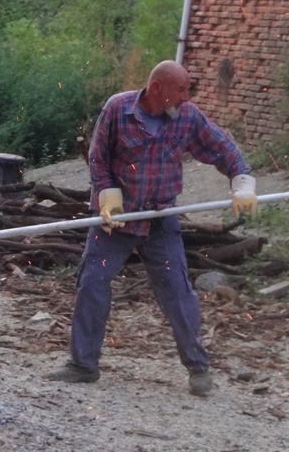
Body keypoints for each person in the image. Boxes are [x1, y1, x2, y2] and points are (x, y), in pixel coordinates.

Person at [48, 60, 258, 396]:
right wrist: (107, 195)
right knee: (93, 282)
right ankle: (82, 365)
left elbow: (222, 147)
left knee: (177, 290)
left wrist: (242, 181)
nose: (186, 97)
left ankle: (198, 367)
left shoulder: (187, 116)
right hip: (114, 219)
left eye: (188, 90)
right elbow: (98, 157)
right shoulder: (118, 109)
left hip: (160, 219)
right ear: (156, 88)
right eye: (181, 89)